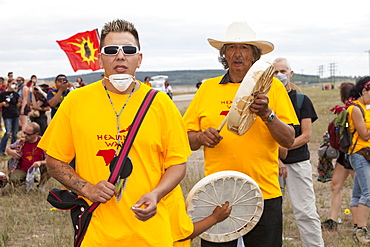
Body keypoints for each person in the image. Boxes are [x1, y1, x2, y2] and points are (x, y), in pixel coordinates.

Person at [38, 19, 192, 246]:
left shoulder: (161, 103)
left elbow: (178, 164)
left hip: (150, 234)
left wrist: (156, 194)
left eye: (129, 50)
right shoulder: (76, 101)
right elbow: (54, 162)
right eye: (111, 50)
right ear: (100, 58)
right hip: (96, 233)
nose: (120, 56)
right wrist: (87, 189)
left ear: (139, 59)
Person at [183, 21, 298, 247]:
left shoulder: (273, 88)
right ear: (223, 54)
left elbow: (289, 139)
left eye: (244, 47)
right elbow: (185, 138)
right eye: (231, 48)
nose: (237, 53)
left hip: (263, 193)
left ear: (254, 55)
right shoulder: (207, 88)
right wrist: (200, 137)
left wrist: (267, 114)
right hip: (217, 193)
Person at [273, 57, 324, 246]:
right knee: (271, 214)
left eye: (283, 71)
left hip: (298, 163)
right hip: (272, 165)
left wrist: (284, 148)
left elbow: (306, 135)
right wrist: (278, 159)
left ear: (290, 73)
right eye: (275, 71)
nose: (279, 75)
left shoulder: (302, 100)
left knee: (305, 212)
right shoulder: (266, 102)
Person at [321, 82, 355, 231]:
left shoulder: (351, 111)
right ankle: (333, 220)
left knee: (359, 188)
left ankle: (358, 223)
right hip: (345, 154)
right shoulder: (346, 112)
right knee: (336, 185)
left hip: (355, 154)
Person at [346, 76, 370, 244]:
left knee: (358, 193)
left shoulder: (365, 108)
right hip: (359, 154)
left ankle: (357, 226)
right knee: (369, 193)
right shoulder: (355, 109)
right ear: (364, 90)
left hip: (365, 153)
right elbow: (365, 134)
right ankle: (362, 231)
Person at [6, 122, 48, 189]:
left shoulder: (43, 143)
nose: (25, 135)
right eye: (24, 132)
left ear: (36, 134)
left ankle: (41, 186)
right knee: (13, 180)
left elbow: (50, 160)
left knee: (51, 167)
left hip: (38, 169)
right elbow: (8, 148)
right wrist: (11, 151)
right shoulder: (21, 142)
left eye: (28, 134)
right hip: (24, 169)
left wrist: (40, 162)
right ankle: (26, 183)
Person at [0, 79, 22, 156]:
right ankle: (1, 150)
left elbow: (17, 105)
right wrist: (2, 103)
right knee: (8, 132)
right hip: (7, 115)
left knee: (14, 133)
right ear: (8, 83)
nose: (14, 85)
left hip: (15, 114)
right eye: (13, 83)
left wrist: (19, 102)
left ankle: (13, 149)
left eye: (15, 84)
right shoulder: (3, 94)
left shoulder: (16, 94)